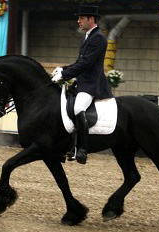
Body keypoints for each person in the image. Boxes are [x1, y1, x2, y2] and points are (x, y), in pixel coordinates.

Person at [52, 5, 113, 164]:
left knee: (78, 108)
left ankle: (82, 149)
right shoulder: (87, 36)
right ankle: (66, 145)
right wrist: (63, 69)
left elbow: (86, 63)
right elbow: (79, 62)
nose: (78, 21)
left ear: (91, 19)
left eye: (81, 18)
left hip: (91, 84)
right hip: (82, 82)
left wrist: (64, 75)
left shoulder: (99, 37)